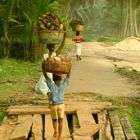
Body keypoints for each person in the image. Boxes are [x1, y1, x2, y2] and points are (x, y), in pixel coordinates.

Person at [35, 28, 66, 108]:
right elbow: (61, 46)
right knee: (46, 88)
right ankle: (51, 102)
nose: (53, 48)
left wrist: (64, 36)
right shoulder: (49, 55)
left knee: (46, 88)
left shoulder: (51, 54)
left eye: (53, 46)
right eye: (52, 46)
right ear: (49, 48)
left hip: (48, 74)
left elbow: (62, 46)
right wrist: (64, 37)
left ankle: (51, 103)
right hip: (47, 74)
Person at [42, 63, 71, 140]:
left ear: (53, 80)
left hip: (54, 106)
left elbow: (46, 76)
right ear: (61, 79)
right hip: (61, 105)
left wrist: (43, 68)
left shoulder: (51, 85)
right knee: (61, 120)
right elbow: (68, 77)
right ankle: (59, 136)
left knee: (54, 120)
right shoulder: (63, 85)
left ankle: (55, 130)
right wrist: (69, 68)